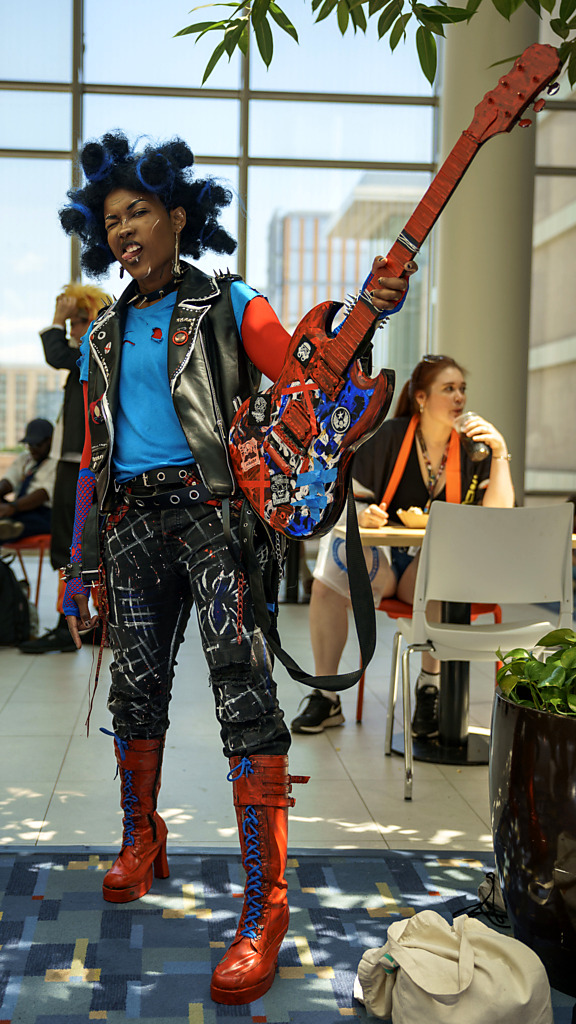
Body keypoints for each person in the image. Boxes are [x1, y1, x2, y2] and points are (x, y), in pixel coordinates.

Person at [58, 130, 414, 1006]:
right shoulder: (100, 335)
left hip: (214, 522)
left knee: (245, 702)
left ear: (180, 217)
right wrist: (78, 563)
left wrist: (369, 312)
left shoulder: (227, 302)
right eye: (111, 218)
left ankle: (267, 906)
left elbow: (306, 375)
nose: (125, 230)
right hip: (133, 528)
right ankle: (143, 836)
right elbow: (90, 458)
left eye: (140, 211)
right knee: (133, 696)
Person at [292, 355, 515, 737]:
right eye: (449, 389)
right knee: (332, 568)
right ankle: (326, 695)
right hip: (383, 561)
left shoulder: (473, 447)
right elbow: (348, 498)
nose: (460, 397)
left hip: (428, 571)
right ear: (423, 398)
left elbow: (498, 515)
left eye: (462, 389)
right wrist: (362, 516)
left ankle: (430, 687)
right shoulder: (390, 435)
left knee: (445, 563)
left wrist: (500, 453)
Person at [19, 284, 110, 654]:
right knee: (69, 546)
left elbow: (56, 352)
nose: (74, 330)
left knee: (73, 545)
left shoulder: (93, 354)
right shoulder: (88, 359)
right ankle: (71, 621)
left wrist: (56, 320)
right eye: (72, 323)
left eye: (81, 321)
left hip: (81, 466)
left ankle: (73, 623)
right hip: (74, 462)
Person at [0, 418, 56, 542]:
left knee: (29, 522)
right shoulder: (25, 459)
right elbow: (8, 481)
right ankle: (9, 526)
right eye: (30, 444)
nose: (32, 448)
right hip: (18, 508)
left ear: (50, 441)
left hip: (43, 512)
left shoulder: (57, 464)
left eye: (38, 444)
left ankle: (10, 527)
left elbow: (43, 494)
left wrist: (12, 507)